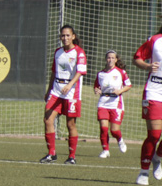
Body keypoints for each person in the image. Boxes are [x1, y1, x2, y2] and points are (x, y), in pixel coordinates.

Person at [40, 25, 86, 165]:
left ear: (73, 36)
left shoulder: (79, 52)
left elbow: (80, 72)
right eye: (62, 35)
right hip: (56, 90)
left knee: (70, 124)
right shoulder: (58, 52)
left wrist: (70, 84)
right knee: (48, 119)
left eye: (67, 35)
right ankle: (51, 154)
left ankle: (72, 156)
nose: (65, 38)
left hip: (71, 92)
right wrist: (49, 90)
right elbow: (54, 72)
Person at [133, 15, 162, 185]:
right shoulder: (155, 40)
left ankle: (157, 157)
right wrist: (147, 66)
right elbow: (137, 58)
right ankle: (143, 171)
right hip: (155, 91)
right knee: (154, 134)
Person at [93, 49, 131, 159]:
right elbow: (96, 86)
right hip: (103, 102)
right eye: (108, 57)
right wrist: (97, 90)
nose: (110, 60)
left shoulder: (121, 72)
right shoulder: (100, 74)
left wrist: (120, 91)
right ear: (105, 59)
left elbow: (128, 85)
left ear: (116, 59)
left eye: (112, 58)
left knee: (114, 130)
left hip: (116, 103)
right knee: (103, 128)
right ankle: (105, 150)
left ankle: (120, 140)